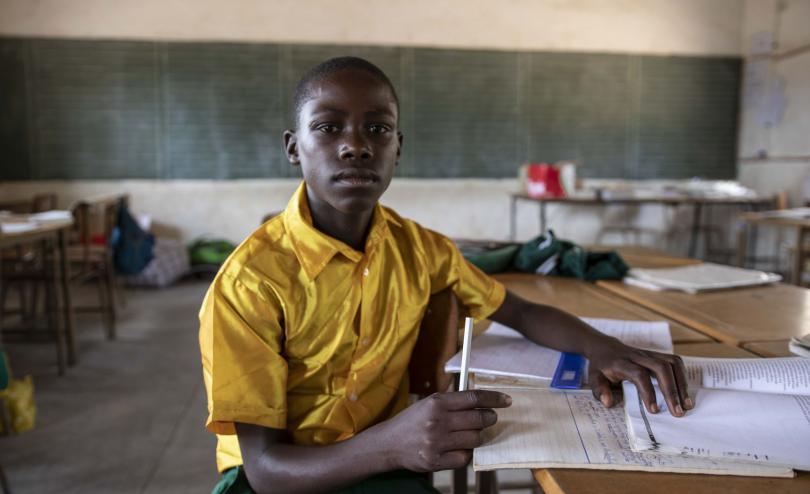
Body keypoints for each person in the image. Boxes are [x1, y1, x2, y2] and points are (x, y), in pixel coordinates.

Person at [199, 56, 693, 494]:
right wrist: (390, 446)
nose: (355, 146)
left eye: (377, 128)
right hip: (280, 478)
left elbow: (518, 309)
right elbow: (265, 470)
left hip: (386, 468)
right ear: (293, 147)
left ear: (399, 147)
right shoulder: (250, 283)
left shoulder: (421, 249)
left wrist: (602, 346)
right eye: (328, 128)